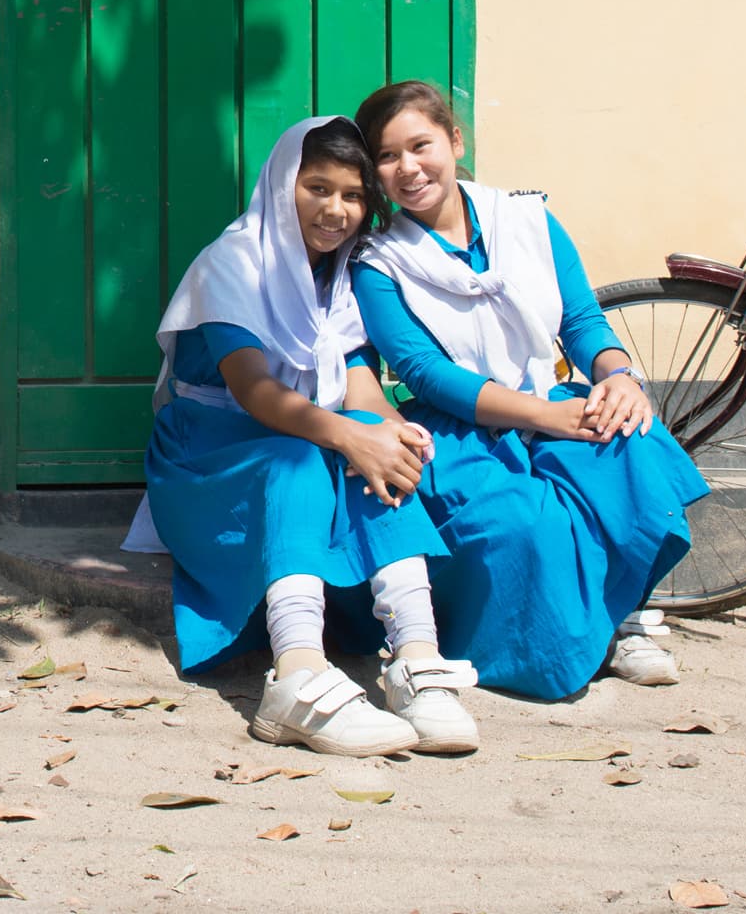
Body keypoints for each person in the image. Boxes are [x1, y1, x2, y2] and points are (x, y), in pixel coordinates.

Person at [122, 116, 481, 757]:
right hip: (209, 454)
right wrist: (350, 435)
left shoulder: (338, 274)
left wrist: (394, 435)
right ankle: (296, 677)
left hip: (303, 434)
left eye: (352, 195)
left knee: (373, 438)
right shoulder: (234, 262)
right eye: (317, 188)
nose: (334, 210)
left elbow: (359, 386)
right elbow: (256, 393)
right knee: (303, 457)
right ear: (283, 184)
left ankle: (418, 661)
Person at [348, 81, 710, 701]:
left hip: (553, 395)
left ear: (454, 141)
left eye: (421, 145)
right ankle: (567, 643)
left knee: (632, 450)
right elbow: (429, 374)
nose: (408, 168)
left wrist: (619, 376)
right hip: (461, 428)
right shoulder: (378, 264)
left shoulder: (528, 220)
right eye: (387, 156)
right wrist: (546, 418)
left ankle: (619, 620)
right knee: (524, 522)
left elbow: (581, 320)